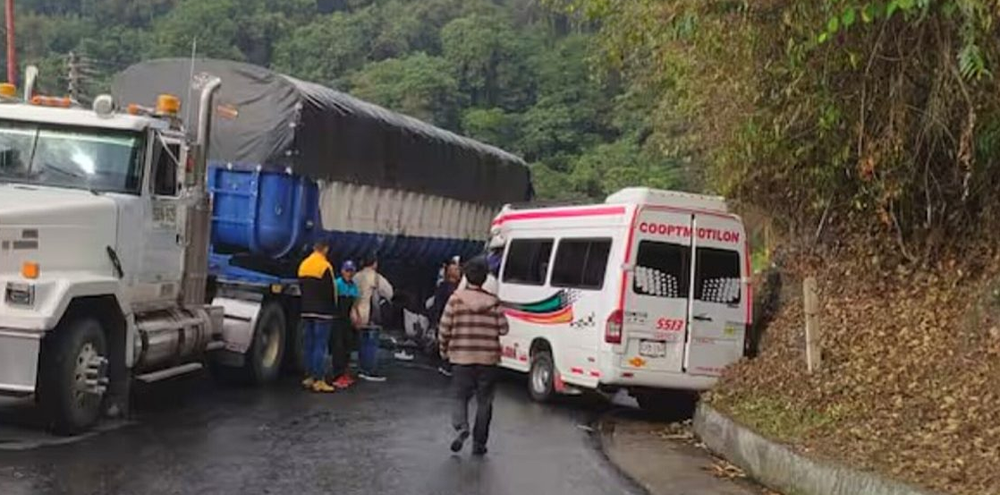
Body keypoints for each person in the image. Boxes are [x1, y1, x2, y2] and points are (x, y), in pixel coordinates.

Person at [439, 257, 509, 456]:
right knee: (485, 401)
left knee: (459, 396)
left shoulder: (455, 299)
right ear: (485, 278)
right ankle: (479, 444)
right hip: (488, 360)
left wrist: (444, 350)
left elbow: (444, 328)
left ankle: (462, 427)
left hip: (461, 358)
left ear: (465, 276)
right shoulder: (493, 302)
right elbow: (504, 328)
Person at [297, 240, 337, 393]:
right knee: (320, 346)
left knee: (309, 345)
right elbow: (331, 291)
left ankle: (309, 377)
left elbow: (301, 287)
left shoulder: (303, 265)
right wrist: (334, 310)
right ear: (325, 249)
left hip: (306, 310)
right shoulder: (325, 266)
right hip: (323, 313)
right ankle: (319, 380)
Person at [353, 254, 394, 382]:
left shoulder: (356, 276)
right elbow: (389, 292)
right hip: (369, 315)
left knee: (360, 343)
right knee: (370, 344)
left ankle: (361, 368)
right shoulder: (376, 277)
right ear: (374, 264)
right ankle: (369, 370)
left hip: (356, 314)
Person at [331, 260, 360, 389]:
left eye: (351, 271)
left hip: (347, 320)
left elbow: (355, 305)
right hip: (337, 318)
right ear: (342, 271)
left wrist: (357, 317)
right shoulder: (337, 284)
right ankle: (337, 376)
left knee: (348, 346)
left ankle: (344, 373)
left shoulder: (353, 286)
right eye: (347, 270)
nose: (349, 273)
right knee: (338, 347)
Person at [432, 257, 462, 377]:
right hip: (450, 319)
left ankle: (448, 365)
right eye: (456, 269)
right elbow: (438, 305)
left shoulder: (448, 287)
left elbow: (437, 305)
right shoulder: (451, 288)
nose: (458, 271)